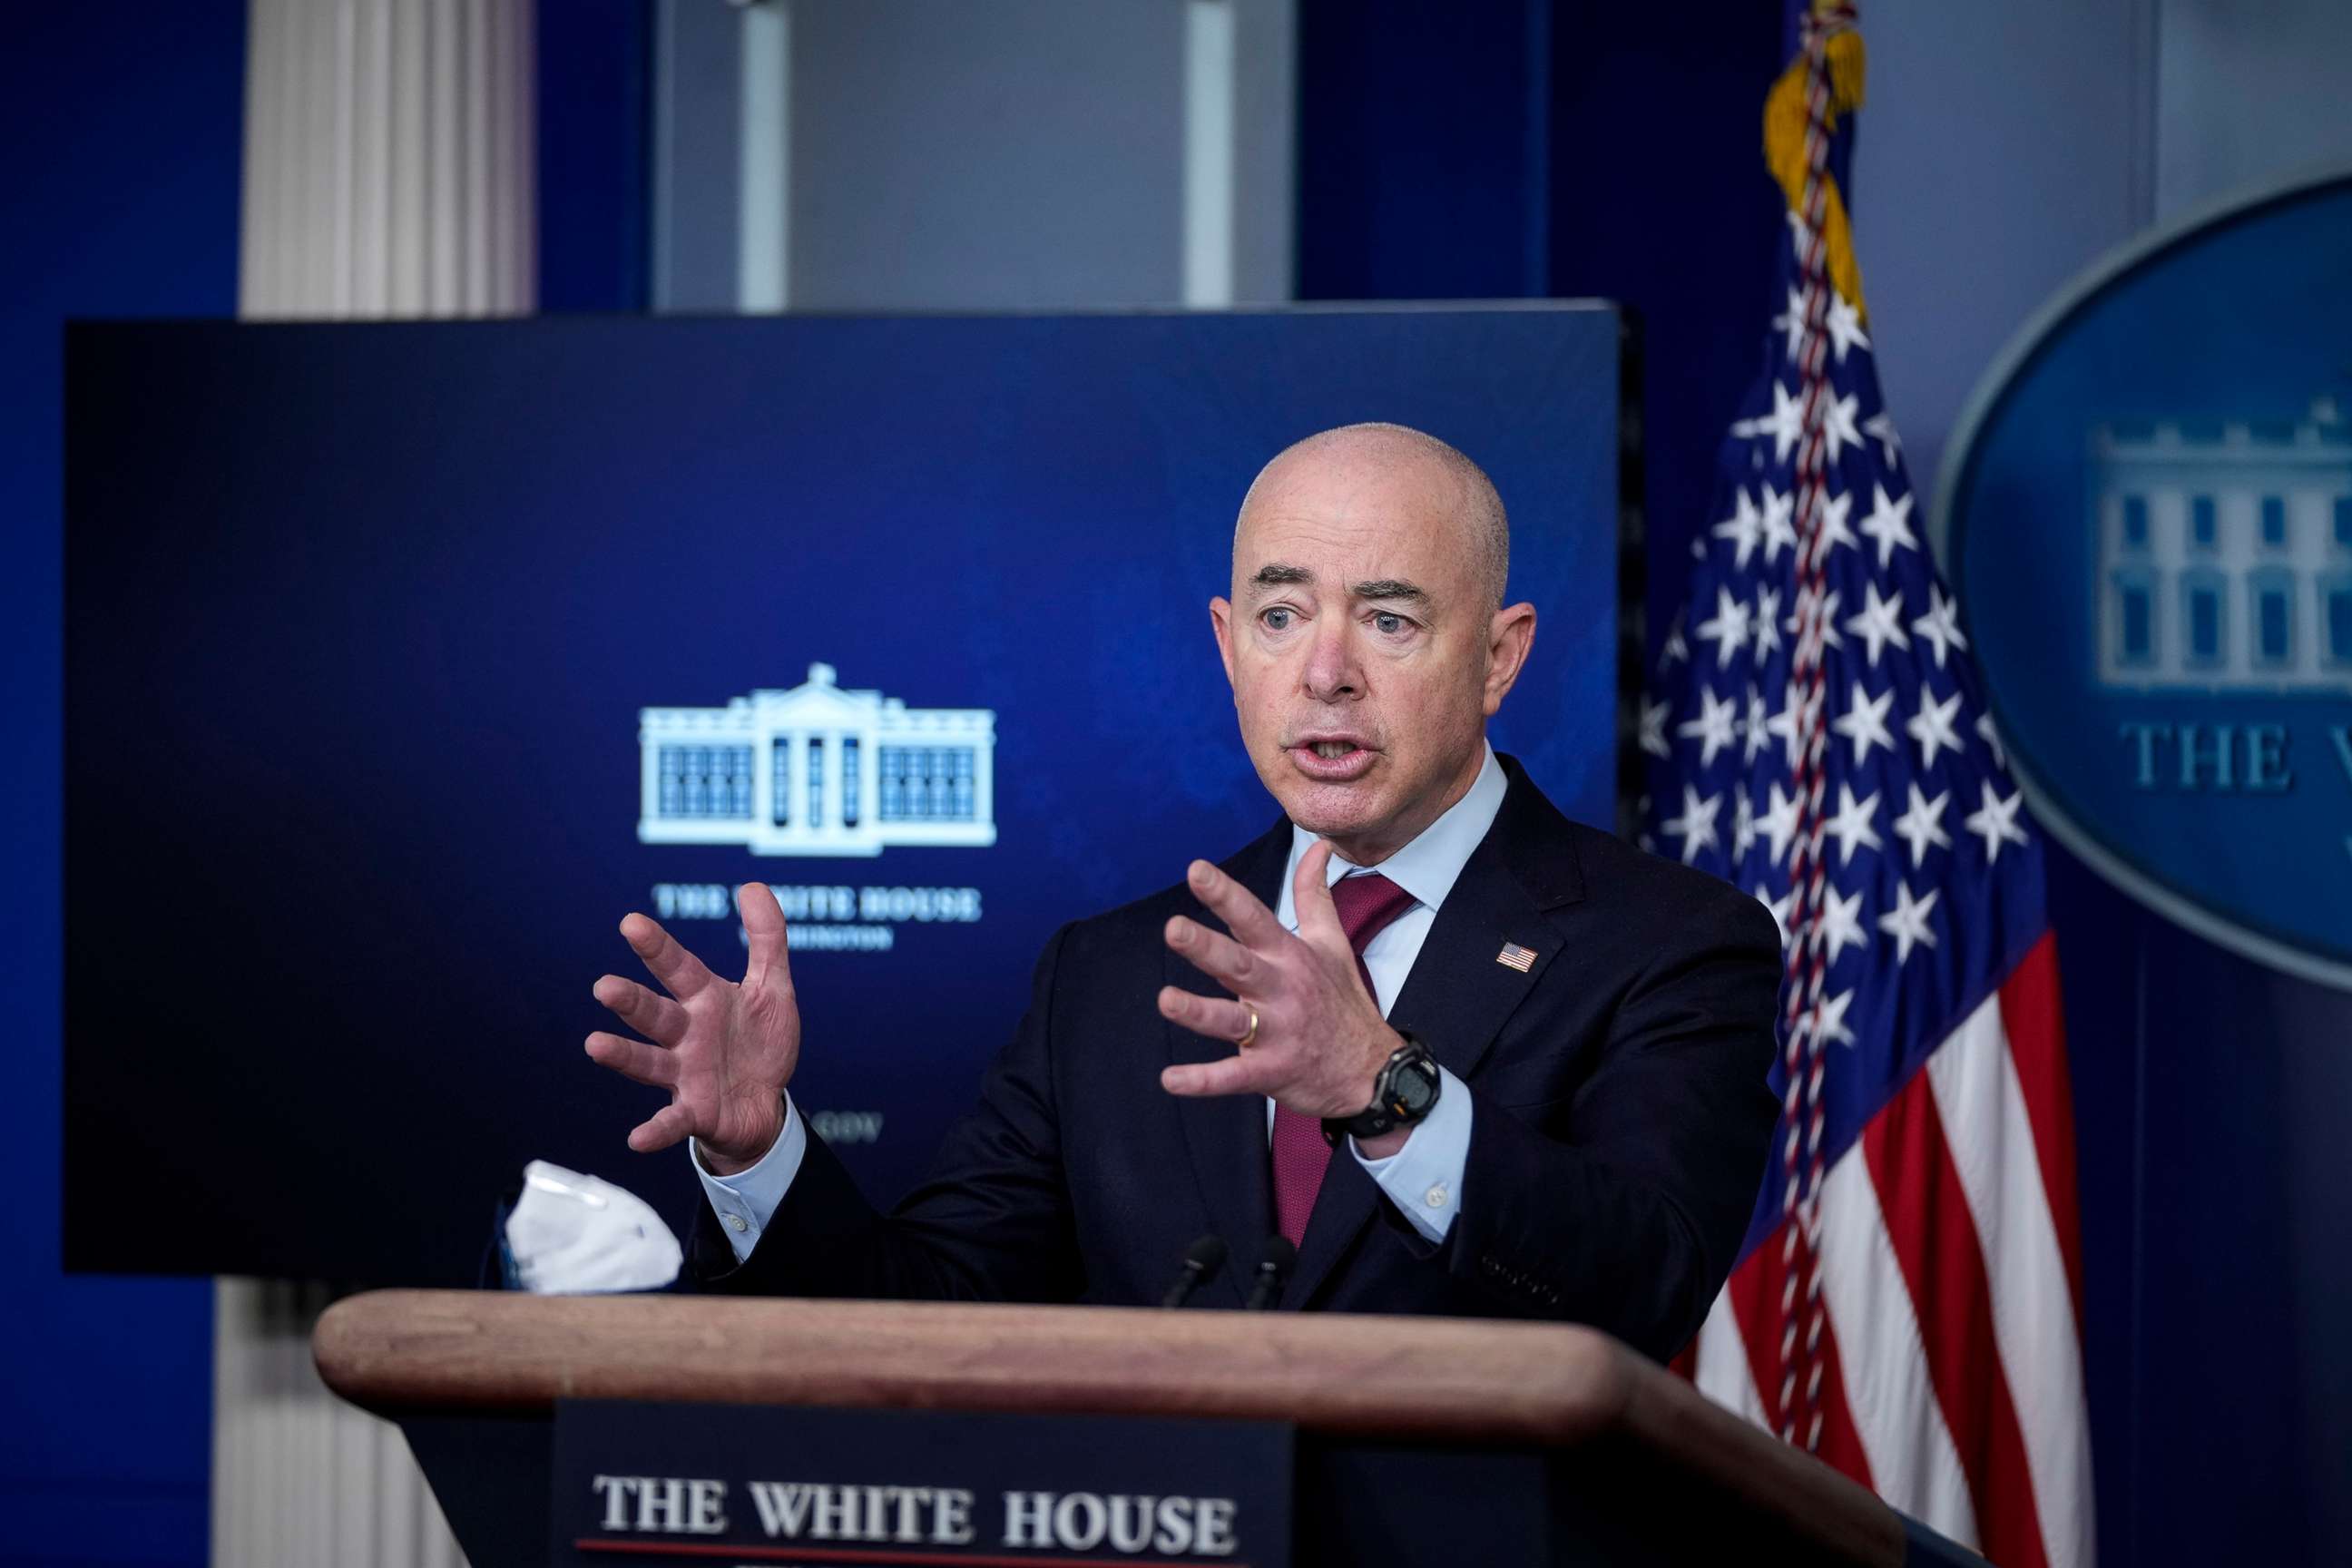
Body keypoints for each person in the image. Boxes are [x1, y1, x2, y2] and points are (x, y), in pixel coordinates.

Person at [583, 423, 1779, 1359]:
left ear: (1500, 656)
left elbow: (1647, 1285)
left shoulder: (1668, 945)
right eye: (1279, 614)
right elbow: (925, 1319)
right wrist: (757, 1154)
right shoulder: (1109, 976)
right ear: (1226, 645)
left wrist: (1385, 1090)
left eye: (1390, 619)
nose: (1323, 673)